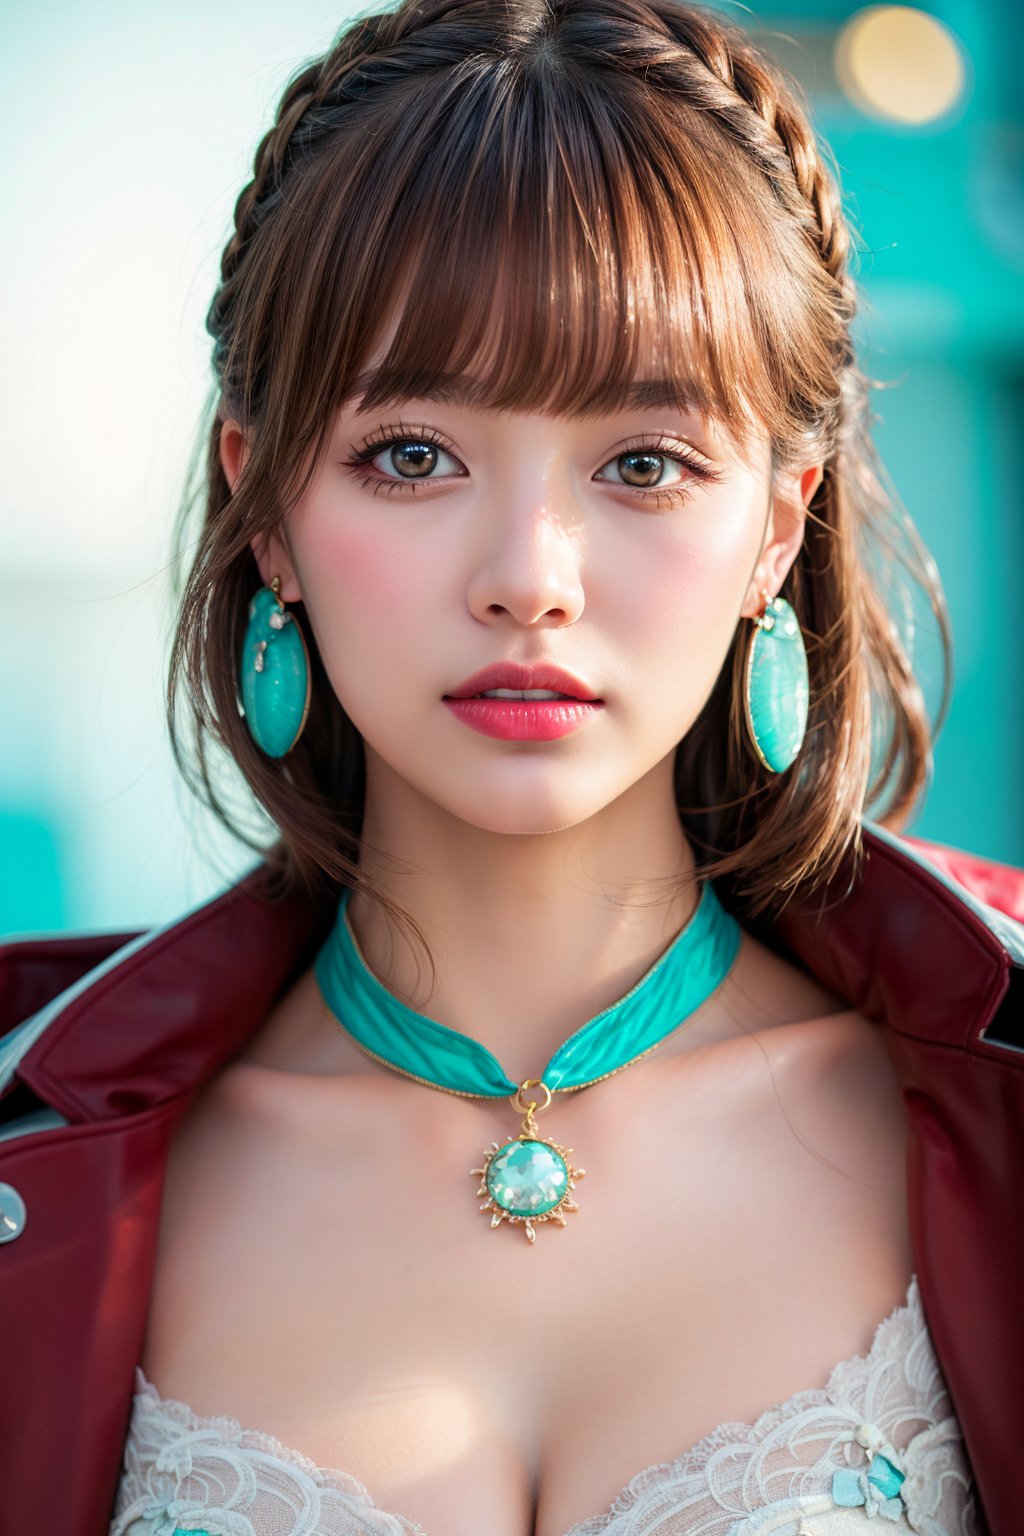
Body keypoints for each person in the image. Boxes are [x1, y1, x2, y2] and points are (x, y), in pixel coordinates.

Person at [1, 0, 1022, 1532]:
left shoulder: (986, 1108)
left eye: (644, 463)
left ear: (779, 523)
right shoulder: (44, 1171)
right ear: (264, 501)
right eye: (412, 454)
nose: (528, 574)